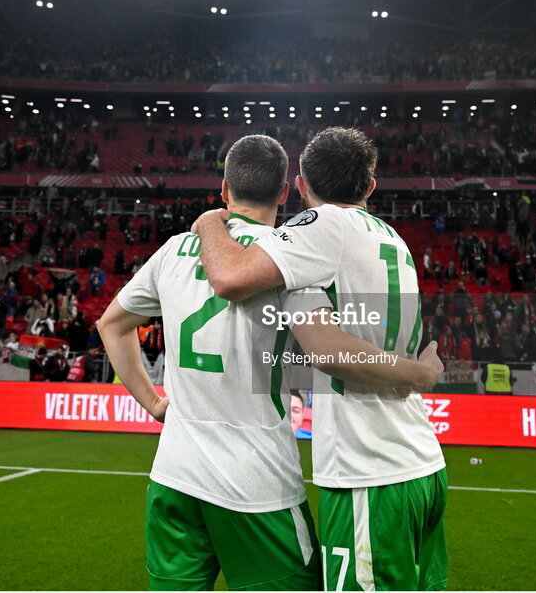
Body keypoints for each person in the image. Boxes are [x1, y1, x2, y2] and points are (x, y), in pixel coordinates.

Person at [100, 134, 441, 591]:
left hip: (173, 475)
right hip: (258, 482)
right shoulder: (295, 255)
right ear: (284, 191)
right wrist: (418, 372)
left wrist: (155, 404)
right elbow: (325, 343)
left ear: (225, 190)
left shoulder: (175, 251)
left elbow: (112, 325)